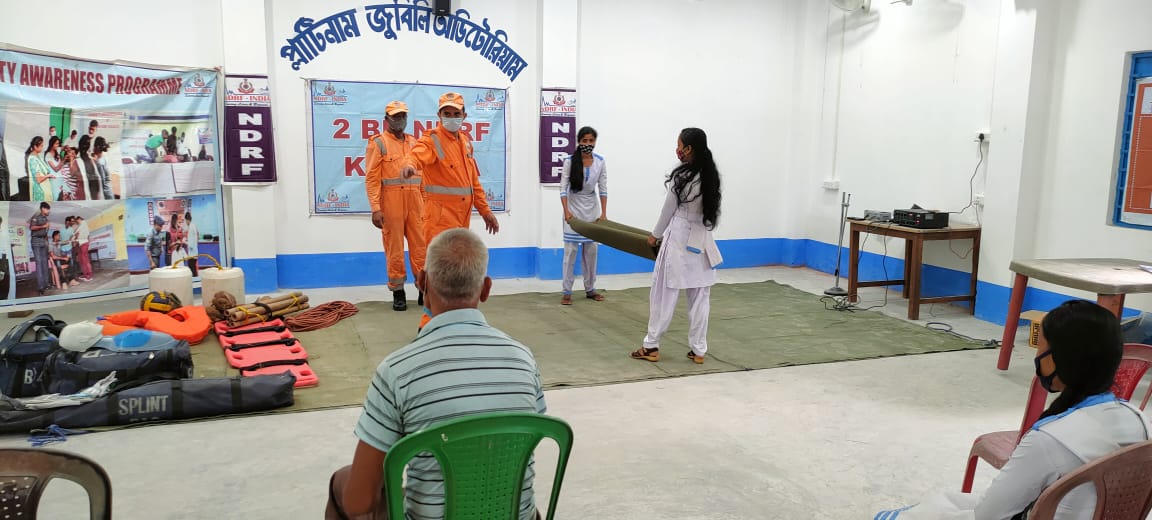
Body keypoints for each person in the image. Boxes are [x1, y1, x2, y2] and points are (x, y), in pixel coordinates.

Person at [326, 228, 547, 520]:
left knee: (342, 482)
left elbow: (359, 502)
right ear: (486, 289)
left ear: (422, 282)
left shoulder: (397, 371)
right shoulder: (524, 360)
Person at [874, 300, 1151, 519]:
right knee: (950, 502)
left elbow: (988, 516)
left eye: (1040, 349)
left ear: (1060, 360)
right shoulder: (1139, 422)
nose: (1037, 358)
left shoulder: (1050, 439)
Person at [400, 92, 499, 329]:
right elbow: (416, 155)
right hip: (438, 220)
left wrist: (485, 210)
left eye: (456, 114)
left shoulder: (464, 142)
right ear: (439, 115)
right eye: (447, 114)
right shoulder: (432, 139)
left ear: (464, 115)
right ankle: (426, 324)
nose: (451, 118)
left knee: (457, 275)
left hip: (460, 221)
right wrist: (408, 165)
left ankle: (454, 322)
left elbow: (472, 182)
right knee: (436, 274)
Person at [630, 128, 723, 365]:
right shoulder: (711, 176)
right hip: (702, 240)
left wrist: (654, 236)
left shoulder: (682, 178)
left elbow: (667, 210)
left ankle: (651, 345)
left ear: (689, 148)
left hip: (679, 238)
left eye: (680, 145)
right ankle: (699, 350)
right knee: (701, 298)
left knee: (663, 293)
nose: (678, 149)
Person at [365, 100, 426, 311]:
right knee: (395, 249)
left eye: (402, 116)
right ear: (386, 120)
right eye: (395, 116)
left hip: (416, 202)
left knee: (421, 248)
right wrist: (375, 208)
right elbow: (372, 178)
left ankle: (423, 290)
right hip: (391, 203)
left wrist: (425, 202)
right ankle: (398, 292)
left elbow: (423, 175)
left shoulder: (415, 143)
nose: (399, 120)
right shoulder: (378, 143)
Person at [559, 126, 608, 305]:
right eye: (584, 141)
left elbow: (603, 188)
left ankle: (590, 289)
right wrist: (566, 211)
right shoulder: (569, 161)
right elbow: (562, 188)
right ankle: (566, 291)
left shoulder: (600, 161)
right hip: (573, 208)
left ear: (595, 142)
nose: (588, 144)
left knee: (591, 251)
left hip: (592, 209)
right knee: (570, 251)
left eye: (591, 141)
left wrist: (603, 213)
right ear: (579, 142)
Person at [28, 202, 51, 295]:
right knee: (39, 264)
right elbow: (32, 227)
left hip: (43, 241)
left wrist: (47, 242)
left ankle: (46, 284)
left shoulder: (46, 219)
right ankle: (40, 287)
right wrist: (43, 226)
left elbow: (45, 232)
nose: (48, 211)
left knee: (45, 263)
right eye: (47, 209)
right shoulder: (35, 216)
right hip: (36, 241)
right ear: (43, 209)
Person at [25, 137, 54, 202]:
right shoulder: (33, 159)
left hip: (44, 187)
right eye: (41, 146)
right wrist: (48, 176)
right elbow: (38, 179)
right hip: (40, 191)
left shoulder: (37, 156)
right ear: (35, 146)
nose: (42, 148)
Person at [77, 136, 100, 200]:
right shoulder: (79, 160)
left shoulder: (89, 159)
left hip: (92, 186)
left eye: (87, 144)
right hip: (91, 187)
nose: (86, 146)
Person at [75, 215, 92, 282]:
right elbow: (78, 235)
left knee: (85, 260)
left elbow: (77, 232)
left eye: (77, 221)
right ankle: (85, 274)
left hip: (84, 244)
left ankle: (89, 275)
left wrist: (74, 234)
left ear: (80, 219)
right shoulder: (81, 226)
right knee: (82, 261)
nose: (77, 222)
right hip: (81, 245)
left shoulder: (84, 223)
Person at [184, 211, 199, 276]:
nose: (185, 222)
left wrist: (185, 242)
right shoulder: (193, 226)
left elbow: (191, 244)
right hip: (193, 252)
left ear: (187, 220)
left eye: (185, 221)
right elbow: (193, 239)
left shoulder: (191, 227)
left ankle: (195, 281)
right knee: (192, 268)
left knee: (192, 268)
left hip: (192, 253)